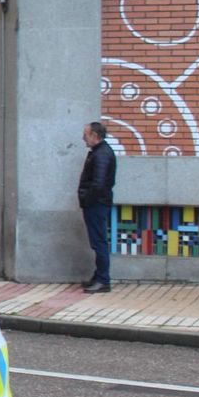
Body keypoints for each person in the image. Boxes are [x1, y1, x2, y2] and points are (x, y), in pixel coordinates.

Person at [78, 121, 117, 293]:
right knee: (97, 241)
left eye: (86, 134)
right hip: (97, 202)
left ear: (95, 135)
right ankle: (98, 276)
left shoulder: (101, 154)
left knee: (99, 242)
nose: (83, 138)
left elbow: (98, 183)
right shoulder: (99, 152)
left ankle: (103, 279)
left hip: (97, 204)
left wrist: (87, 199)